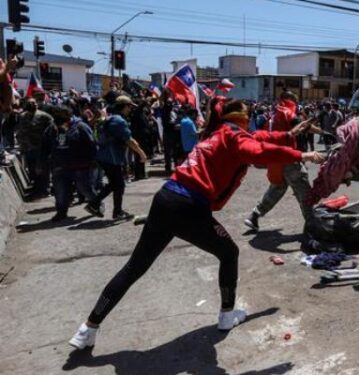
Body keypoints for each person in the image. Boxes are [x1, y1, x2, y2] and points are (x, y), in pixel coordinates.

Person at [68, 99, 325, 350]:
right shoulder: (235, 136)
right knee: (229, 253)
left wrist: (290, 134)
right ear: (240, 118)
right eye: (246, 114)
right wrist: (302, 154)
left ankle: (88, 328)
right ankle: (227, 315)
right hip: (189, 206)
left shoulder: (220, 132)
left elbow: (260, 139)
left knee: (134, 267)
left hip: (165, 198)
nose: (249, 119)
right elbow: (257, 150)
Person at [244, 91, 320, 231]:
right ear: (289, 100)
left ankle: (254, 215)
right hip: (288, 157)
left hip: (274, 159)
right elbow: (303, 126)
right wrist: (322, 132)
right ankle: (312, 224)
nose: (296, 103)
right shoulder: (287, 112)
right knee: (303, 189)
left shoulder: (272, 115)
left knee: (277, 188)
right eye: (295, 100)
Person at [87, 96, 147, 220]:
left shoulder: (109, 118)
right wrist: (141, 153)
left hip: (105, 156)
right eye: (130, 107)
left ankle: (102, 206)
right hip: (111, 158)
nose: (130, 110)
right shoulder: (119, 121)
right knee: (118, 184)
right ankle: (107, 208)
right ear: (125, 106)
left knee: (116, 184)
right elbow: (129, 140)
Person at [40, 106, 99, 221]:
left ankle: (96, 203)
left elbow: (92, 144)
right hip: (59, 166)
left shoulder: (81, 127)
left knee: (85, 189)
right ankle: (61, 212)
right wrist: (42, 162)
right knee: (60, 191)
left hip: (80, 166)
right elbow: (44, 146)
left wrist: (94, 161)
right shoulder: (52, 129)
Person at [16, 98, 55, 198]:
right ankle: (37, 188)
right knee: (32, 170)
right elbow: (20, 130)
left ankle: (45, 190)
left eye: (33, 103)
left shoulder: (44, 116)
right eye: (29, 103)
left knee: (43, 170)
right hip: (28, 148)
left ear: (36, 105)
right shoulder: (22, 116)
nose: (31, 104)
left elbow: (52, 129)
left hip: (40, 149)